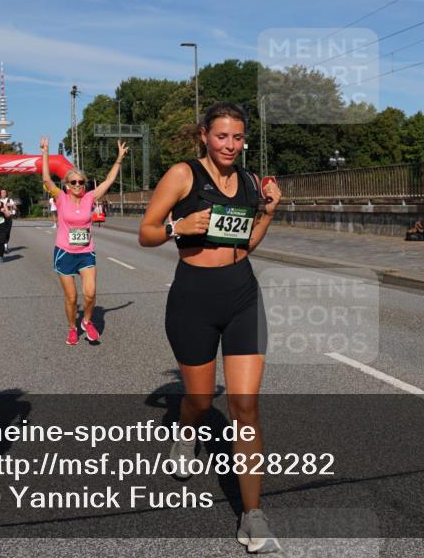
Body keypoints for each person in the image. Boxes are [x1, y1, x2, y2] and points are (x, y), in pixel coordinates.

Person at [138, 102, 283, 553]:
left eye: (238, 138)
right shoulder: (183, 175)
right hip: (193, 299)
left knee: (246, 408)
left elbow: (248, 243)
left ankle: (252, 515)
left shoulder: (250, 182)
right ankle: (186, 431)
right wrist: (180, 225)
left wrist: (269, 212)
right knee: (200, 399)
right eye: (222, 137)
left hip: (242, 295)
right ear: (204, 135)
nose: (231, 146)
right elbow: (146, 231)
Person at [40, 135, 127, 345]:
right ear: (67, 185)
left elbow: (109, 181)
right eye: (73, 182)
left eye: (81, 182)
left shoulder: (90, 198)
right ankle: (72, 327)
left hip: (86, 252)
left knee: (90, 294)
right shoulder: (60, 198)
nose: (78, 185)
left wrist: (119, 158)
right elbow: (46, 180)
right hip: (64, 252)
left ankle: (87, 321)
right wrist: (45, 153)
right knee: (72, 298)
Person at [1, 189, 15, 253]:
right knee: (2, 232)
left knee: (7, 232)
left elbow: (15, 207)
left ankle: (5, 245)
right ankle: (4, 247)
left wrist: (11, 205)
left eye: (4, 192)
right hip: (1, 218)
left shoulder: (10, 200)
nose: (3, 194)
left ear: (6, 194)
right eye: (2, 192)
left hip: (9, 218)